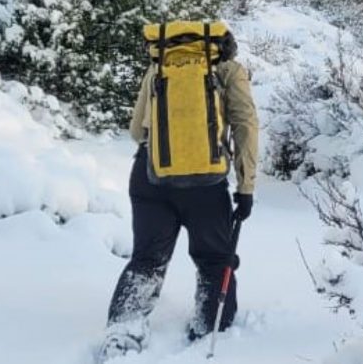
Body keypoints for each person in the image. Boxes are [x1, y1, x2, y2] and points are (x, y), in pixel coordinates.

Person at [98, 23, 258, 361]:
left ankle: (121, 337)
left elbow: (136, 128)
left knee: (146, 261)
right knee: (215, 261)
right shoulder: (229, 70)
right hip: (207, 184)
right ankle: (208, 331)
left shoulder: (160, 66)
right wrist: (246, 187)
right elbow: (246, 126)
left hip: (150, 177)